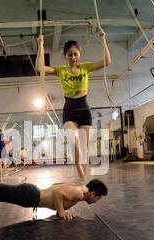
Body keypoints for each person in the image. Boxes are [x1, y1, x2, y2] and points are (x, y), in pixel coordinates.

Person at [36, 28, 111, 185]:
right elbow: (39, 68)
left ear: (79, 54)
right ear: (65, 56)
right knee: (74, 143)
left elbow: (107, 62)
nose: (73, 57)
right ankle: (80, 174)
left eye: (75, 54)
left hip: (84, 108)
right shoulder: (61, 71)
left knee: (85, 148)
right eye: (70, 54)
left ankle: (84, 180)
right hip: (69, 109)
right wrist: (41, 45)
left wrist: (103, 39)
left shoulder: (85, 67)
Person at [0, 162, 108, 220]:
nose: (95, 202)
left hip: (32, 194)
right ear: (94, 193)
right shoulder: (80, 193)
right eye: (98, 199)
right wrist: (61, 212)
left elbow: (57, 185)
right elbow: (57, 193)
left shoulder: (77, 188)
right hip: (31, 196)